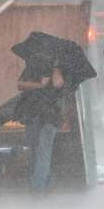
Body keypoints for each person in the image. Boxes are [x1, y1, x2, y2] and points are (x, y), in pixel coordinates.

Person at [16, 56, 65, 194]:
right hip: (33, 115)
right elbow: (20, 84)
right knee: (36, 151)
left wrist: (55, 69)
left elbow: (58, 84)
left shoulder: (59, 70)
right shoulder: (32, 68)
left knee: (43, 152)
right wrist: (39, 84)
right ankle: (46, 182)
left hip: (49, 118)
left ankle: (38, 187)